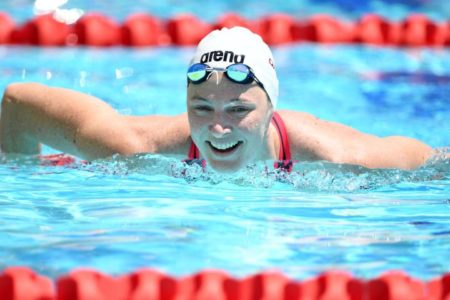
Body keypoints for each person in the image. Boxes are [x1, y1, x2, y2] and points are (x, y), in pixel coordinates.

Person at [0, 27, 434, 173]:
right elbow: (17, 104)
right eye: (202, 108)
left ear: (271, 109)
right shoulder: (131, 145)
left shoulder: (338, 155)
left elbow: (434, 163)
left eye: (239, 110)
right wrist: (22, 179)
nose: (218, 128)